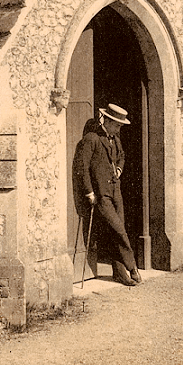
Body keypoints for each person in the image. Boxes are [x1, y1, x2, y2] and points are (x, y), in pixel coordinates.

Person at [72, 103, 142, 286]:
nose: (119, 129)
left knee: (116, 231)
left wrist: (119, 168)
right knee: (119, 230)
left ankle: (120, 273)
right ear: (108, 121)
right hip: (101, 195)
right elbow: (83, 168)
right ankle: (132, 267)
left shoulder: (115, 139)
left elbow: (122, 156)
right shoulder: (92, 139)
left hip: (115, 192)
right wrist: (89, 192)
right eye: (117, 125)